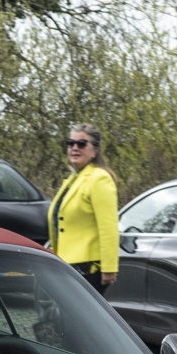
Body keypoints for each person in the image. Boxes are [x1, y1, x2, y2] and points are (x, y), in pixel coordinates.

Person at [46, 123, 118, 292]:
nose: (74, 148)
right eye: (70, 143)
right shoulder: (73, 178)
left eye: (82, 144)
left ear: (95, 150)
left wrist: (109, 268)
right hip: (66, 264)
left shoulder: (99, 178)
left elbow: (108, 227)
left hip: (88, 268)